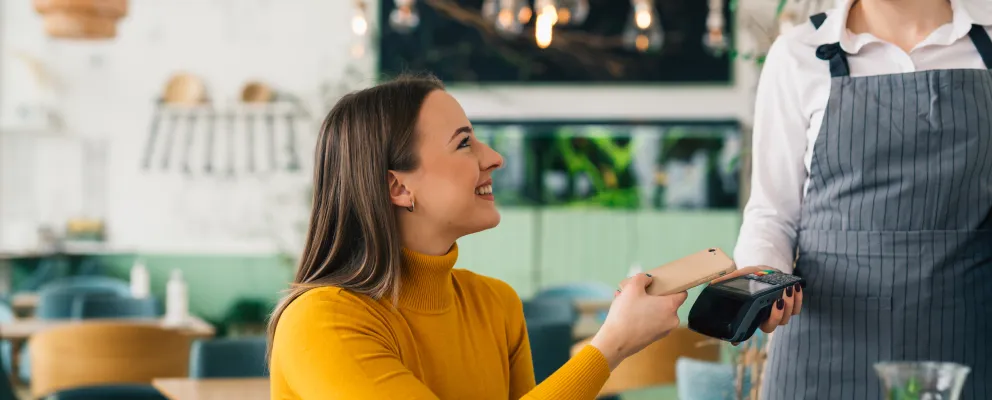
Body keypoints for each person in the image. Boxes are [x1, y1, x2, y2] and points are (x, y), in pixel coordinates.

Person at [266, 75, 688, 399]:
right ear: (398, 187)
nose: (494, 157)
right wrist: (611, 344)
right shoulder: (322, 322)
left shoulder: (496, 305)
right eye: (464, 143)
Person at [726, 0, 992, 397]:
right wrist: (763, 281)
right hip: (824, 351)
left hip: (967, 343)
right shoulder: (798, 53)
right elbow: (771, 213)